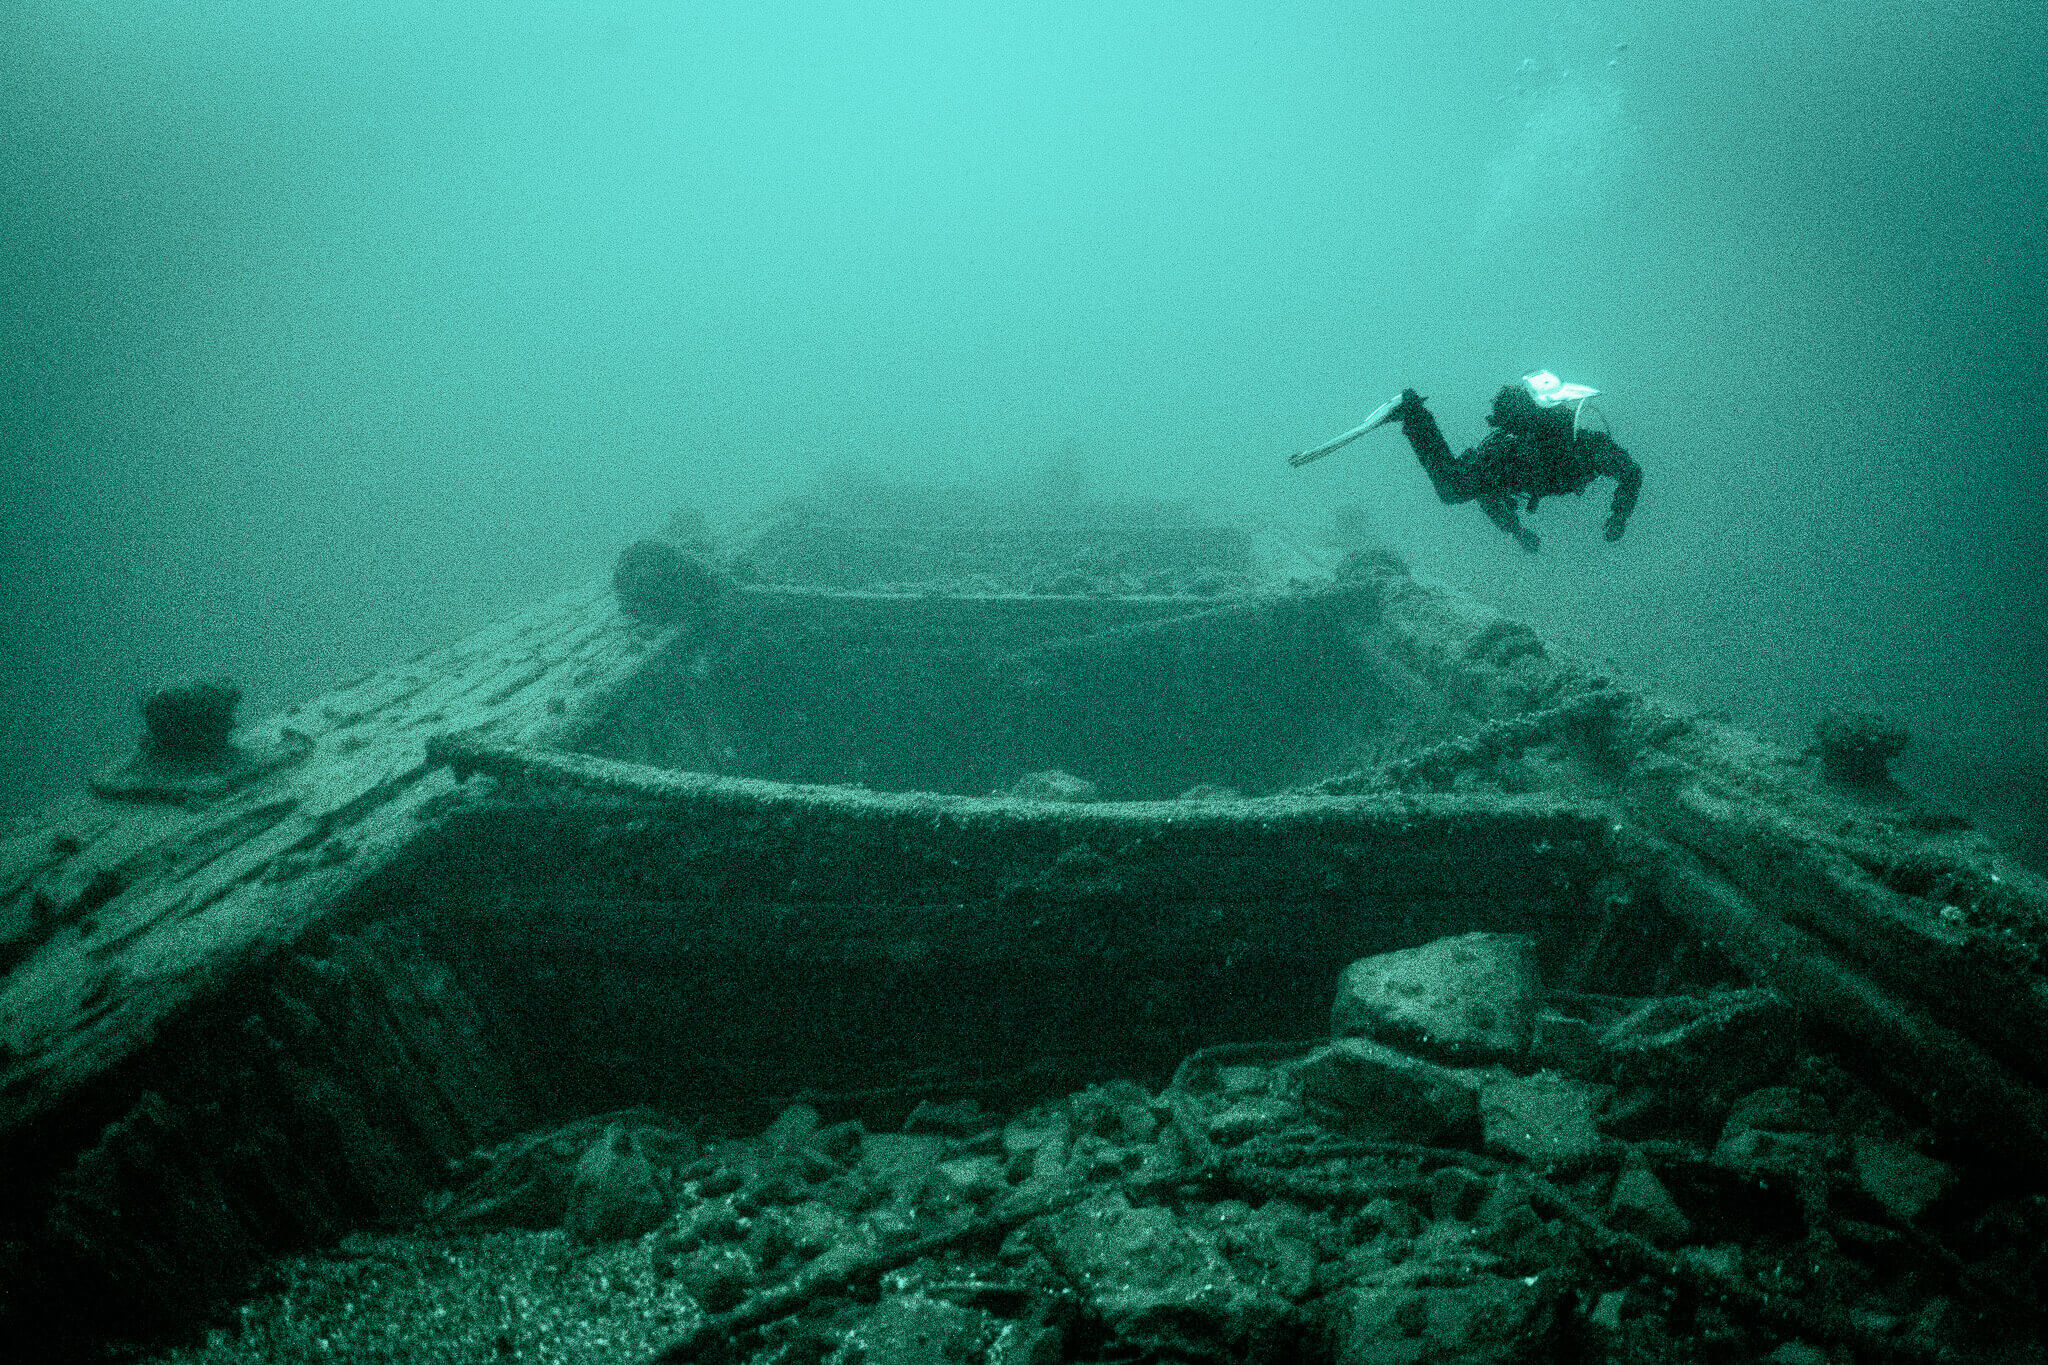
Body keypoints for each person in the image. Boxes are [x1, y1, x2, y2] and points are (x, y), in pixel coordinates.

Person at [1292, 373, 1643, 552]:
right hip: (1509, 461)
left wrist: (1517, 531)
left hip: (1510, 463)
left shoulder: (1580, 448)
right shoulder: (1576, 449)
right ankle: (1414, 413)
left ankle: (1414, 414)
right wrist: (1618, 516)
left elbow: (1630, 474)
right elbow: (1629, 474)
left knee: (1453, 487)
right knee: (1452, 488)